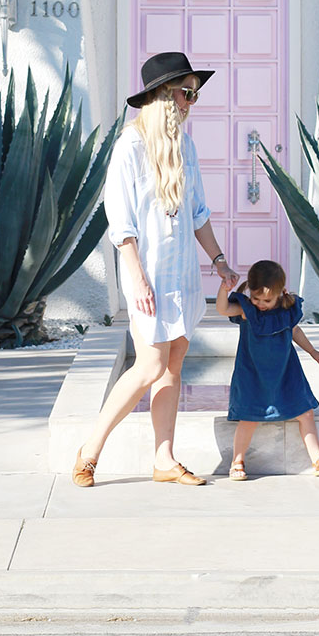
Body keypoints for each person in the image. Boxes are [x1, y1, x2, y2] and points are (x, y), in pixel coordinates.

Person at [72, 51, 237, 488]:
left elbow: (198, 213)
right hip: (146, 275)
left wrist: (219, 262)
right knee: (148, 365)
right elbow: (120, 222)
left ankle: (164, 459)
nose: (190, 104)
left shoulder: (185, 146)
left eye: (194, 96)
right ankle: (90, 451)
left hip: (181, 274)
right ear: (163, 95)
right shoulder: (130, 146)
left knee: (172, 367)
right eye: (186, 94)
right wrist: (138, 278)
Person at [216, 259, 319, 480]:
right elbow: (222, 308)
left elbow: (295, 332)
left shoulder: (288, 310)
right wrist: (223, 288)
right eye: (255, 298)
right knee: (249, 417)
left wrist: (313, 351)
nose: (260, 303)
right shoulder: (248, 311)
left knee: (305, 413)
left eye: (266, 299)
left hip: (286, 372)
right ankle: (237, 461)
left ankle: (318, 458)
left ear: (281, 292)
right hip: (253, 374)